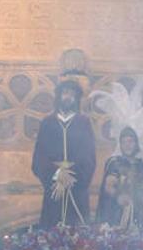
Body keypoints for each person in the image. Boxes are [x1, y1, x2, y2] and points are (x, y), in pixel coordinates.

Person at [32, 80, 96, 228]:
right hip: (54, 188)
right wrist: (57, 173)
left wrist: (71, 175)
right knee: (51, 234)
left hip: (76, 188)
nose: (68, 97)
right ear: (59, 96)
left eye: (72, 94)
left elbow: (89, 157)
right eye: (65, 93)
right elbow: (39, 157)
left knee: (79, 235)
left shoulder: (83, 123)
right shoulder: (48, 123)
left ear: (77, 99)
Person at [95, 126, 143, 228]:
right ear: (120, 145)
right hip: (115, 214)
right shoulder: (114, 163)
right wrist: (119, 197)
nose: (127, 145)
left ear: (136, 143)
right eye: (124, 142)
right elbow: (109, 187)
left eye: (130, 141)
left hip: (137, 214)